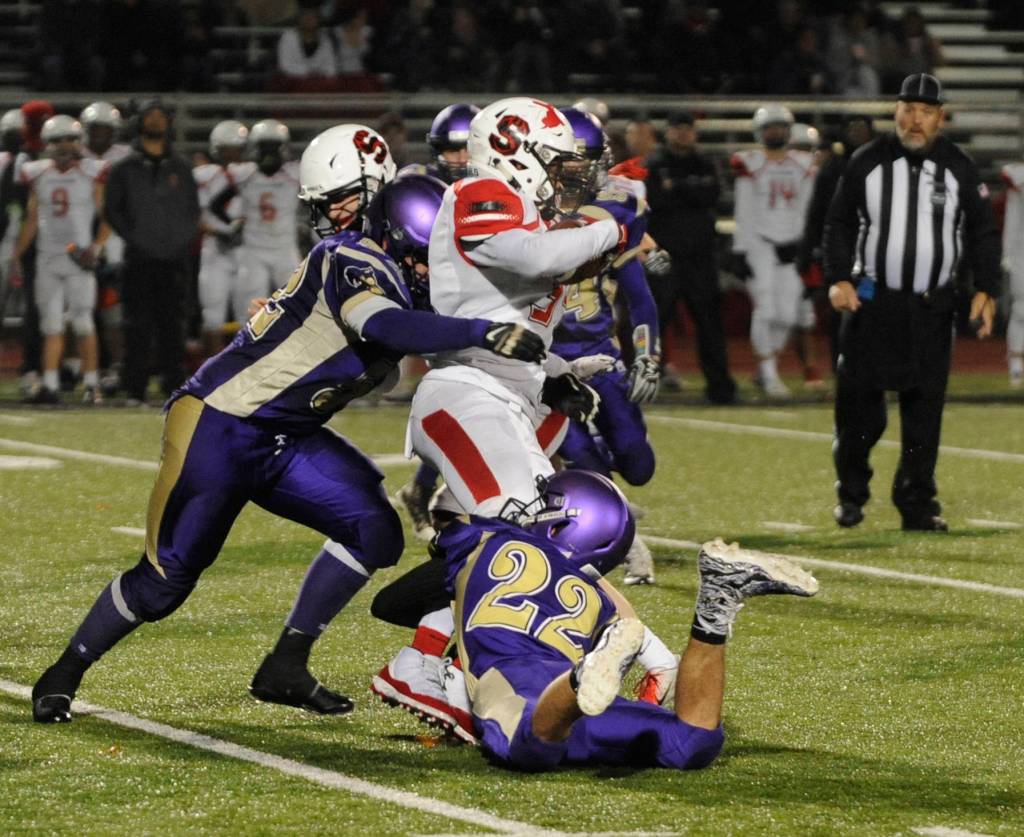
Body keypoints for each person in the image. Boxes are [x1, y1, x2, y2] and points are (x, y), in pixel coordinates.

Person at [29, 123, 548, 725]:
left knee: (374, 530)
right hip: (222, 423)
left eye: (342, 199)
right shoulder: (352, 255)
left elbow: (413, 349)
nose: (332, 214)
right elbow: (384, 326)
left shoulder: (403, 272)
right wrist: (482, 331)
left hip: (285, 435)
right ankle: (63, 672)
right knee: (164, 582)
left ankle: (286, 664)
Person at [438, 469, 818, 771]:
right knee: (691, 743)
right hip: (572, 692)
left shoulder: (479, 536)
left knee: (530, 747)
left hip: (515, 676)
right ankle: (715, 607)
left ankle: (580, 677)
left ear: (561, 520)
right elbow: (630, 624)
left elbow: (407, 591)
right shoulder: (601, 598)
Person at [825, 73, 1000, 532]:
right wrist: (838, 278)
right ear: (896, 112)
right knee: (860, 409)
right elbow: (839, 222)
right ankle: (851, 491)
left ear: (941, 118)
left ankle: (918, 502)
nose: (915, 120)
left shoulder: (959, 166)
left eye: (925, 112)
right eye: (908, 110)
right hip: (871, 304)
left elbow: (982, 230)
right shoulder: (867, 160)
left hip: (931, 307)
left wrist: (986, 288)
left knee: (924, 411)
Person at [551, 105, 660, 585]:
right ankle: (621, 537)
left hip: (602, 353)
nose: (577, 169)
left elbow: (639, 295)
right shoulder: (525, 213)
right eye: (568, 159)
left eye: (585, 158)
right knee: (586, 463)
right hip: (550, 364)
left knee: (639, 464)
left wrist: (648, 356)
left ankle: (603, 459)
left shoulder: (611, 211)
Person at [104, 98, 200, 405]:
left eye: (160, 116)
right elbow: (112, 210)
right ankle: (135, 387)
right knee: (137, 325)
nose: (156, 121)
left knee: (173, 325)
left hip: (174, 258)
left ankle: (174, 386)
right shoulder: (124, 169)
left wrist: (178, 240)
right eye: (150, 116)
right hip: (139, 258)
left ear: (168, 122)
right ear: (139, 122)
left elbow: (193, 211)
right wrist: (137, 238)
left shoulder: (181, 167)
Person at [12, 115, 110, 404]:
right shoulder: (37, 173)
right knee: (51, 325)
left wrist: (96, 248)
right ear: (46, 144)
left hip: (79, 259)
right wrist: (17, 254)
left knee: (83, 323)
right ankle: (51, 384)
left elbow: (107, 217)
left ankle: (91, 384)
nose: (64, 145)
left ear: (79, 142)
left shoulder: (91, 173)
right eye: (57, 140)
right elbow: (33, 218)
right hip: (48, 259)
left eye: (69, 139)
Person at [645, 110, 737, 404]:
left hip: (699, 255)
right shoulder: (655, 164)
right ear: (668, 131)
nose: (684, 133)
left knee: (710, 323)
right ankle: (643, 385)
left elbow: (712, 196)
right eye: (678, 128)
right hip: (665, 256)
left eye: (688, 128)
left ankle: (720, 387)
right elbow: (657, 201)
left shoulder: (705, 162)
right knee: (654, 323)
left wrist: (678, 188)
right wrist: (691, 190)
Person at [731, 104, 816, 397]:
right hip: (759, 243)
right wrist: (741, 249)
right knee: (765, 309)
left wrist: (803, 244)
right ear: (760, 132)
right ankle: (769, 374)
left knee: (788, 315)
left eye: (780, 127)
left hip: (791, 243)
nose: (776, 132)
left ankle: (766, 365)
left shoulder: (803, 163)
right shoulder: (750, 162)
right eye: (770, 127)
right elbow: (744, 207)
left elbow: (806, 207)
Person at [799, 114, 876, 371]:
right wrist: (810, 251)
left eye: (862, 129)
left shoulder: (882, 166)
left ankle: (869, 366)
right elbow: (818, 214)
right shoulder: (834, 170)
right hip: (842, 251)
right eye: (853, 129)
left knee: (870, 307)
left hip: (872, 252)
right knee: (842, 308)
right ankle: (841, 365)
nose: (858, 134)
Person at [209, 119, 300, 313]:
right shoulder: (246, 174)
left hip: (284, 249)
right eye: (264, 147)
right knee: (249, 311)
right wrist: (234, 224)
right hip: (254, 251)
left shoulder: (294, 174)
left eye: (273, 147)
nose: (269, 153)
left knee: (296, 305)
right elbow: (216, 205)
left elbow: (216, 205)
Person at [80, 101, 133, 394]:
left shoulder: (126, 156)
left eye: (105, 129)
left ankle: (116, 366)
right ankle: (76, 366)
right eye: (95, 129)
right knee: (77, 308)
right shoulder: (74, 154)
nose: (99, 134)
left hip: (115, 238)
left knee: (112, 307)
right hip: (79, 235)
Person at [194, 120, 248, 357]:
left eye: (235, 149)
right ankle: (211, 370)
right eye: (226, 149)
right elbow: (193, 213)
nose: (231, 155)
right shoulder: (204, 175)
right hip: (214, 249)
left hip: (246, 250)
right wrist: (215, 231)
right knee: (212, 317)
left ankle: (245, 368)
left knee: (248, 316)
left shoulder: (252, 173)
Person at [1000, 161, 1024, 387]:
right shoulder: (1020, 177)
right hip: (1022, 251)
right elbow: (1013, 216)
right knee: (1021, 309)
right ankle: (1016, 364)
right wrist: (1008, 252)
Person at [276, 4, 337, 79]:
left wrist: (321, 75)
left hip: (318, 82)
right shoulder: (288, 37)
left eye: (313, 17)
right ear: (299, 19)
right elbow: (285, 66)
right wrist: (308, 73)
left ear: (319, 20)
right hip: (292, 81)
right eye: (306, 16)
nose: (309, 19)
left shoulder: (325, 40)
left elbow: (331, 67)